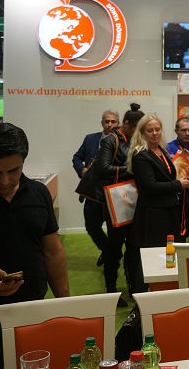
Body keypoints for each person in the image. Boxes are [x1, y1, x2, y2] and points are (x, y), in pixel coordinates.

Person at [0, 123, 69, 368]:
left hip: (33, 312)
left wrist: (64, 305)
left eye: (14, 170)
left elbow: (52, 252)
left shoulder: (38, 193)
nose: (5, 180)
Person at [127, 114, 189, 292]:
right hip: (153, 214)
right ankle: (145, 293)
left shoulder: (161, 150)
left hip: (168, 210)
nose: (155, 133)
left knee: (167, 253)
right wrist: (178, 184)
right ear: (142, 133)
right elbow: (150, 187)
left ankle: (165, 288)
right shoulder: (141, 155)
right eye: (150, 130)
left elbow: (165, 177)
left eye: (157, 129)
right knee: (153, 254)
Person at [95, 104, 144, 305]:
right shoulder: (111, 140)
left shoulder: (138, 140)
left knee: (134, 248)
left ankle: (135, 288)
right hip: (116, 200)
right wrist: (132, 168)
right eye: (138, 128)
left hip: (135, 199)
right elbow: (103, 168)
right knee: (114, 249)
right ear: (127, 124)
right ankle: (111, 292)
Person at [72, 109, 119, 266]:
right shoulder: (90, 139)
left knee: (115, 230)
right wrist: (82, 170)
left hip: (113, 193)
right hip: (92, 192)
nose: (110, 124)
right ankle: (109, 251)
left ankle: (110, 255)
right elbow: (77, 157)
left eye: (113, 121)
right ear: (102, 123)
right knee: (91, 227)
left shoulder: (123, 141)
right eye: (107, 121)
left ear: (118, 123)